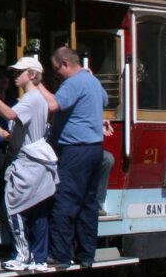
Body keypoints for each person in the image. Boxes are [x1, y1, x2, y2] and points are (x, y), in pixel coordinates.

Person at [0, 57, 55, 272]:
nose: (15, 76)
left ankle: (22, 256)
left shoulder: (30, 99)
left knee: (14, 208)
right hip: (38, 160)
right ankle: (39, 258)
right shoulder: (38, 98)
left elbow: (11, 114)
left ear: (31, 74)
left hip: (27, 162)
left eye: (19, 72)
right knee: (38, 209)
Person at [38, 46, 109, 268]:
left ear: (66, 64)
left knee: (65, 200)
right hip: (94, 149)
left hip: (75, 150)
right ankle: (86, 256)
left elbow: (53, 104)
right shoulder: (92, 81)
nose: (56, 74)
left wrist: (36, 82)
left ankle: (60, 255)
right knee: (88, 204)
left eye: (57, 69)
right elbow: (105, 101)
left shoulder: (74, 82)